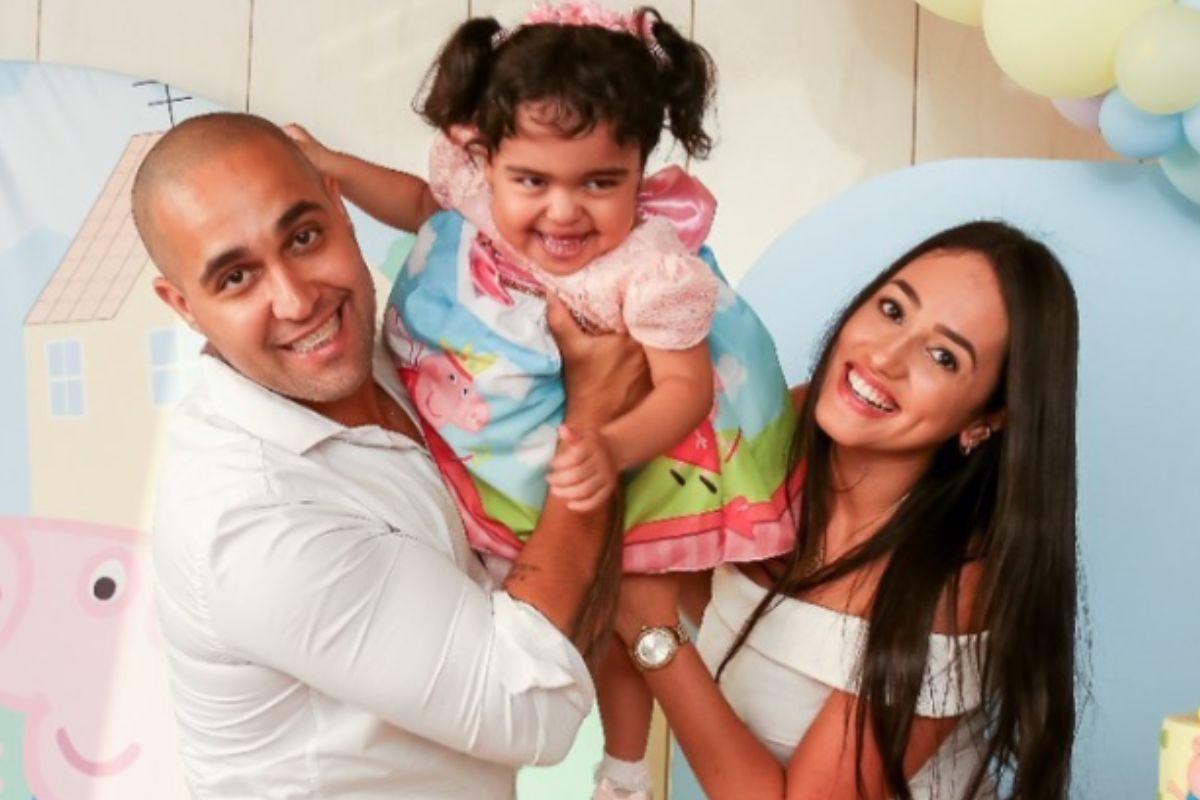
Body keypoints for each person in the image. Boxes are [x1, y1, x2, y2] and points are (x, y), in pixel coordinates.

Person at [286, 3, 801, 797]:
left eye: (601, 183)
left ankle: (624, 770)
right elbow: (418, 202)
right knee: (512, 621)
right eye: (532, 181)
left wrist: (613, 446)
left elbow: (684, 388)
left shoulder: (645, 270)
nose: (563, 212)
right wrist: (333, 168)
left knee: (626, 615)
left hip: (617, 459)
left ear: (640, 168)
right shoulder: (479, 200)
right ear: (487, 159)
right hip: (496, 445)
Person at [133, 111, 650, 799]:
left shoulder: (404, 342)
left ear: (339, 207)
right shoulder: (251, 522)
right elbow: (533, 708)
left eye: (304, 237)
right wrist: (594, 418)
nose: (297, 300)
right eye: (235, 278)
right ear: (183, 305)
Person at [613, 221, 1080, 800]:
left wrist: (652, 636)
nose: (884, 356)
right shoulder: (780, 432)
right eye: (892, 310)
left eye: (943, 356)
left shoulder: (954, 584)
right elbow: (728, 603)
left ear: (986, 419)